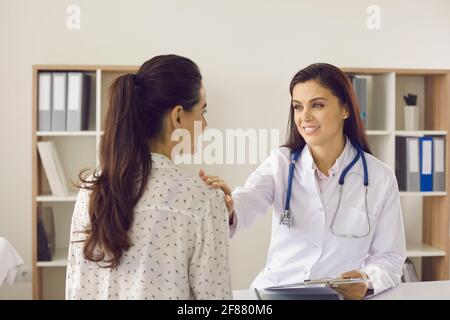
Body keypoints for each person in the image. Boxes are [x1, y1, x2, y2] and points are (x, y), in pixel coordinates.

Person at [200, 63, 406, 300]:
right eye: (298, 107)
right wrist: (229, 206)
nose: (305, 117)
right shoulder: (280, 163)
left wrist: (366, 281)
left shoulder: (379, 178)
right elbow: (247, 199)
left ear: (345, 109)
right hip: (274, 293)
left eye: (317, 105)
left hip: (334, 297)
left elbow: (390, 258)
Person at [66, 55, 232, 300]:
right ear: (177, 117)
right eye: (202, 111)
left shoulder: (91, 192)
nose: (205, 123)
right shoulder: (203, 200)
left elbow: (77, 290)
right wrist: (215, 213)